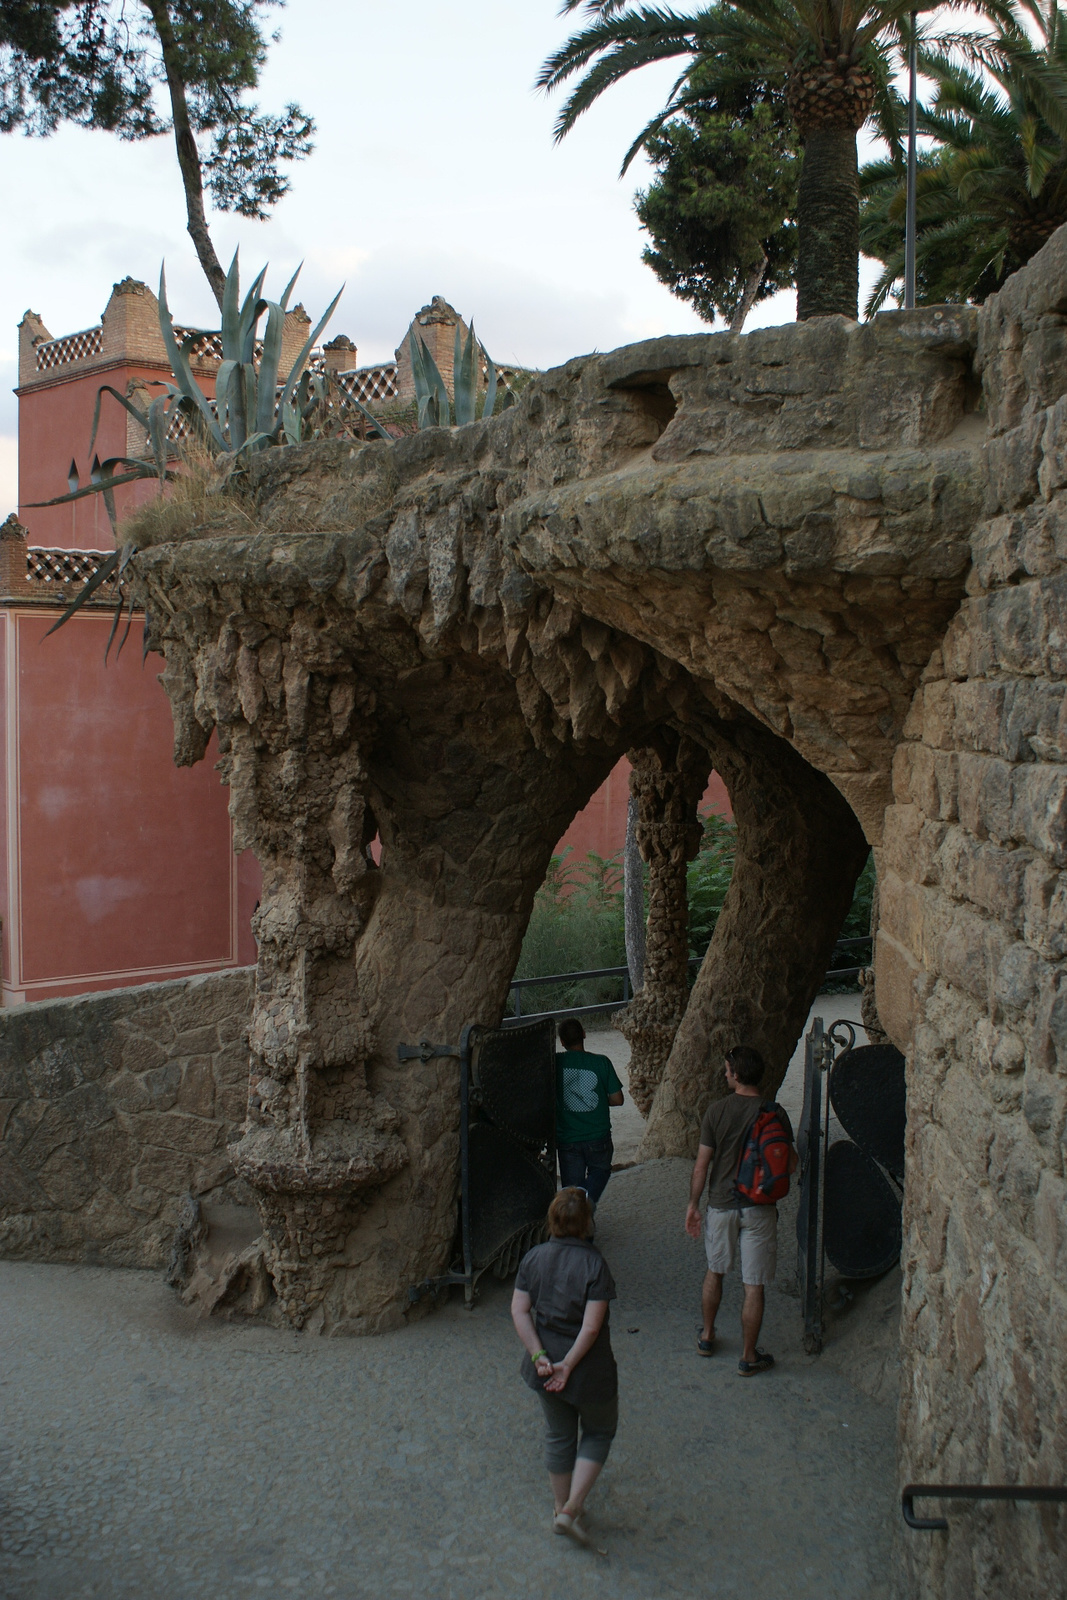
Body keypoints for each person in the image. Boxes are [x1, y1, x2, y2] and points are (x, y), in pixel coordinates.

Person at [511, 1187, 618, 1546]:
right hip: (590, 1371)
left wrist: (540, 1356)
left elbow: (519, 1310)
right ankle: (572, 1509)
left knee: (559, 1435)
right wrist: (568, 1365)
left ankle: (559, 1508)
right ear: (587, 1223)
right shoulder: (594, 1264)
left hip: (545, 1370)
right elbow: (591, 1326)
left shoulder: (533, 1259)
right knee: (599, 1431)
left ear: (551, 1220)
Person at [684, 1044, 797, 1376]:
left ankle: (707, 1335)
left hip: (721, 1205)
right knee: (754, 1285)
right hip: (760, 1207)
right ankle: (748, 1356)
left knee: (715, 1272)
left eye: (726, 1069)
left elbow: (701, 1167)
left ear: (734, 1074)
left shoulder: (716, 1111)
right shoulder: (774, 1112)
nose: (724, 1073)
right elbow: (788, 1163)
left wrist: (693, 1205)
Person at [555, 1018, 624, 1205]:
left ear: (561, 1041)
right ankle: (587, 1204)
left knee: (571, 1191)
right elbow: (618, 1099)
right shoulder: (602, 1062)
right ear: (584, 1034)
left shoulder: (555, 1063)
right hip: (598, 1136)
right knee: (600, 1172)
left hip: (567, 1138)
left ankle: (576, 1220)